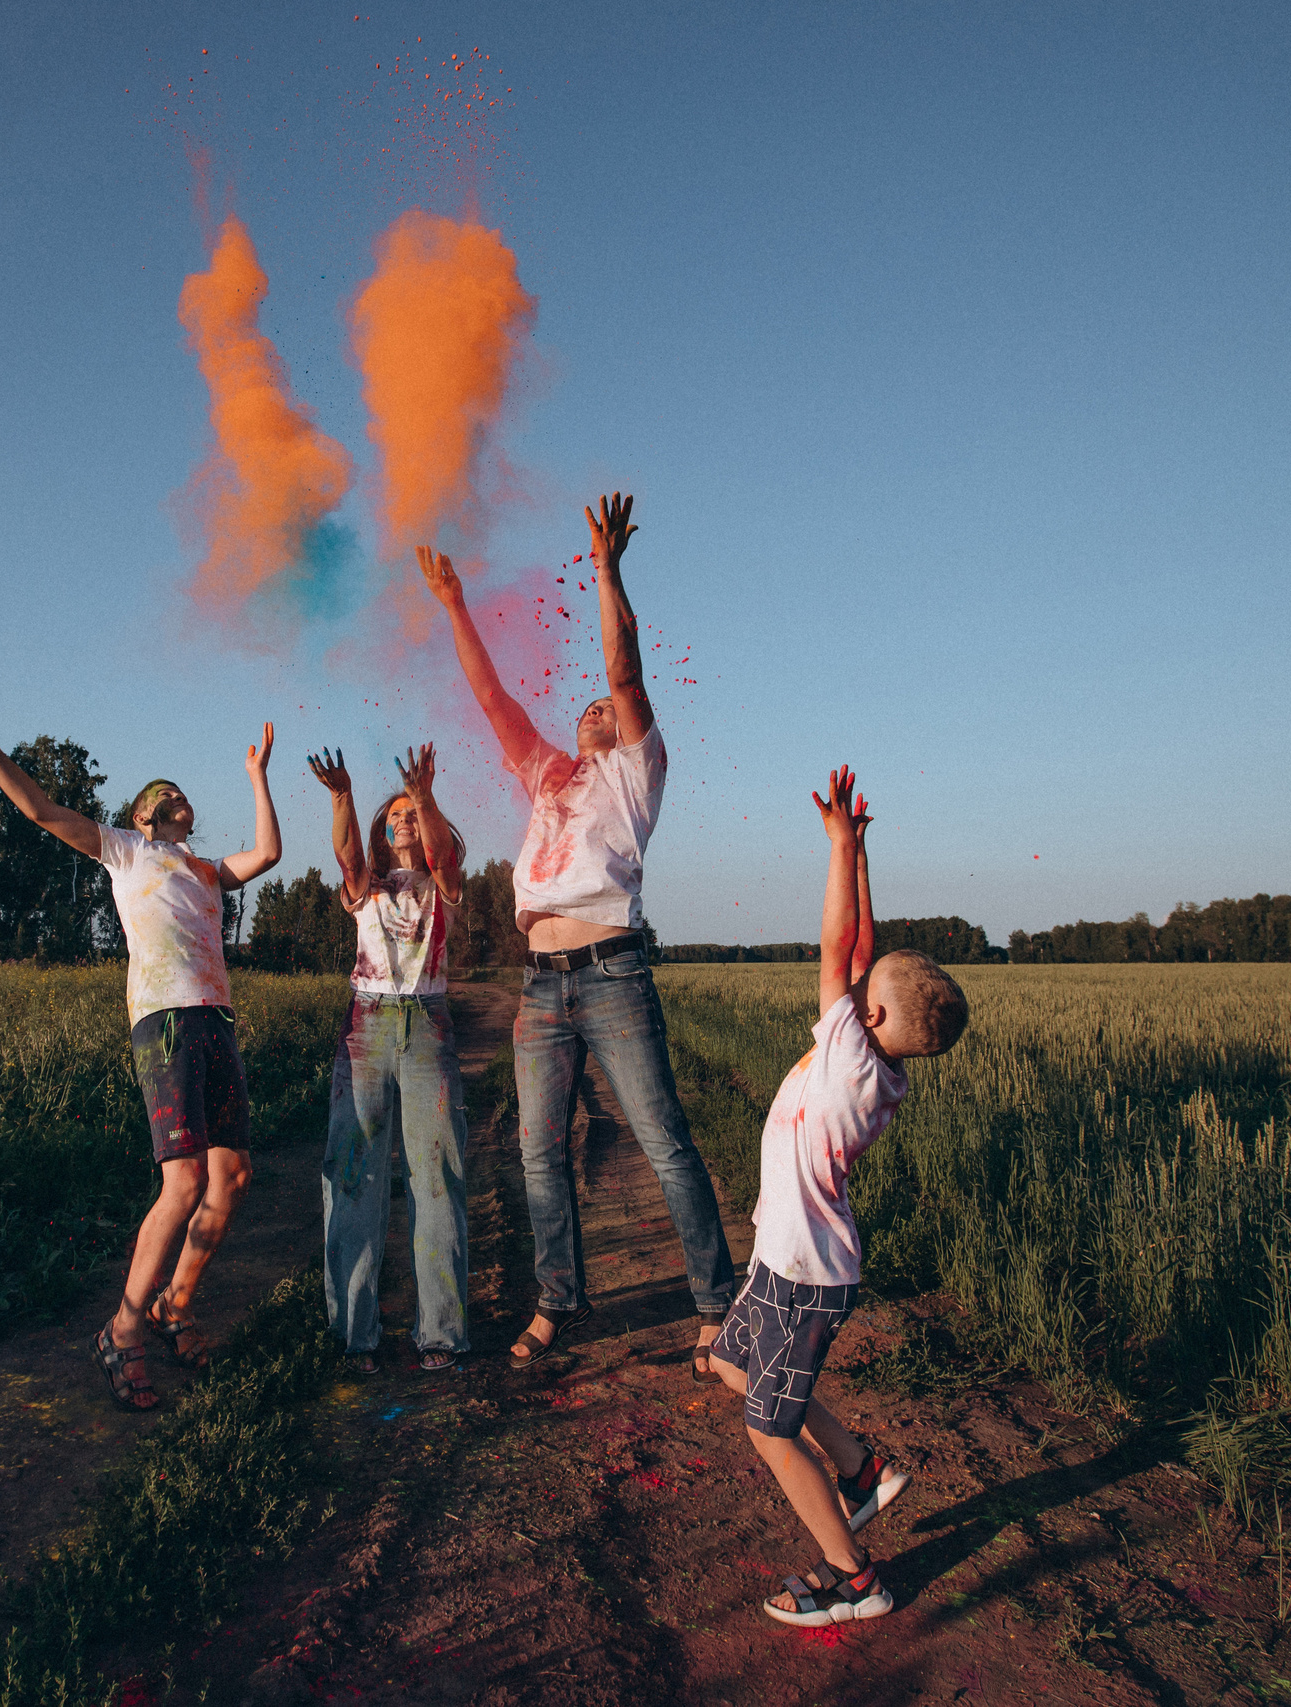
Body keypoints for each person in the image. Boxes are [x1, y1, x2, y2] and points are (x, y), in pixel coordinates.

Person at [416, 493, 737, 1377]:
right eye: (587, 705)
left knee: (664, 1141)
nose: (596, 706)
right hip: (538, 985)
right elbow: (490, 699)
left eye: (606, 706)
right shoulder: (548, 775)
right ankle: (560, 1302)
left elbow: (627, 673)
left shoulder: (635, 774)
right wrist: (454, 605)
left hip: (612, 975)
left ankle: (719, 1306)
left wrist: (607, 567)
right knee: (537, 1149)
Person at [0, 686, 282, 1412]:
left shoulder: (205, 868)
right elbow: (40, 811)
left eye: (182, 791)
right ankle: (122, 1329)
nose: (177, 794)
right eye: (162, 792)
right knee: (182, 1182)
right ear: (143, 815)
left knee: (233, 1174)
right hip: (165, 1023)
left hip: (215, 1021)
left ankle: (175, 1304)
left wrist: (256, 776)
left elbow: (269, 852)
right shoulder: (125, 849)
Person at [709, 764, 969, 1626]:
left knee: (769, 1428)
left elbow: (835, 950)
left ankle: (853, 1577)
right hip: (788, 1254)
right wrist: (858, 849)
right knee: (725, 1360)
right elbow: (863, 953)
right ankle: (861, 1470)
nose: (853, 991)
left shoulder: (852, 1058)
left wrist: (835, 849)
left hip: (803, 1273)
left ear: (880, 1024)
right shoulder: (873, 1053)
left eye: (867, 997)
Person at [304, 741, 472, 1375]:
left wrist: (424, 797)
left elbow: (446, 856)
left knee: (437, 1177)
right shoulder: (366, 887)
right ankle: (355, 1337)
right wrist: (343, 796)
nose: (402, 819)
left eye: (412, 814)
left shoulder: (444, 885)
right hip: (366, 1028)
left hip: (428, 1025)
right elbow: (346, 855)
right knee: (354, 1177)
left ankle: (442, 1337)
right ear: (380, 834)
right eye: (393, 815)